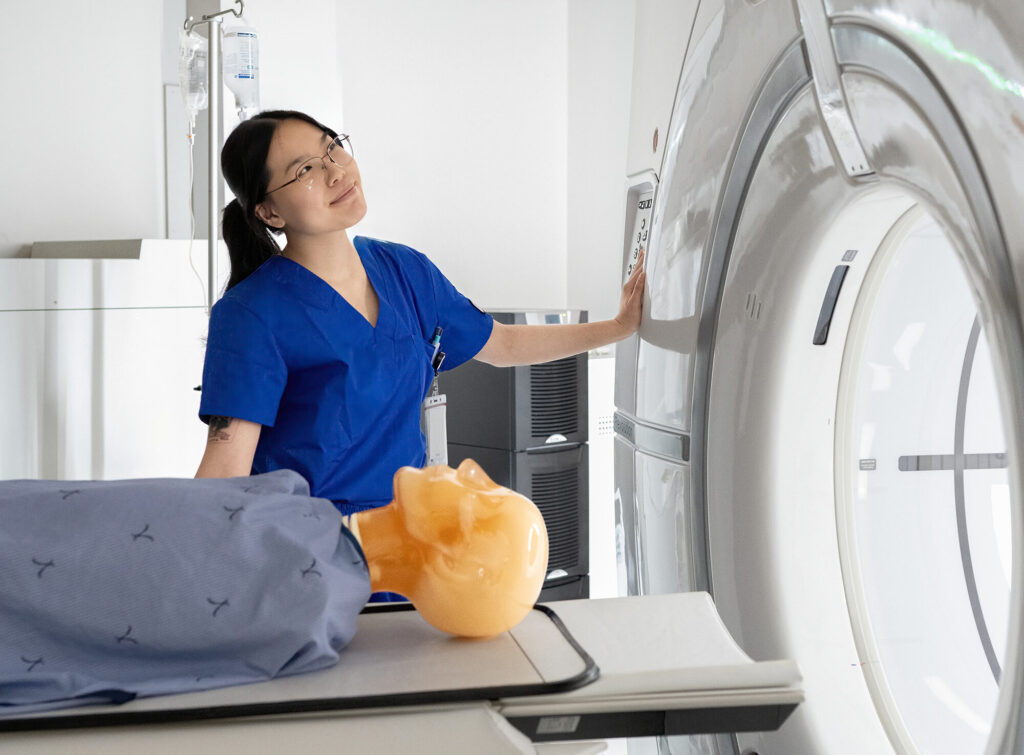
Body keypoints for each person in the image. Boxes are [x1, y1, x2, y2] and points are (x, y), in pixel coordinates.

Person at [195, 109, 646, 520]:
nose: (335, 171)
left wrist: (618, 326)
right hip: (309, 555)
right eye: (306, 170)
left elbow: (502, 344)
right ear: (269, 211)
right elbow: (226, 470)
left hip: (409, 540)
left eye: (332, 147)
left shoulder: (403, 271)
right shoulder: (249, 315)